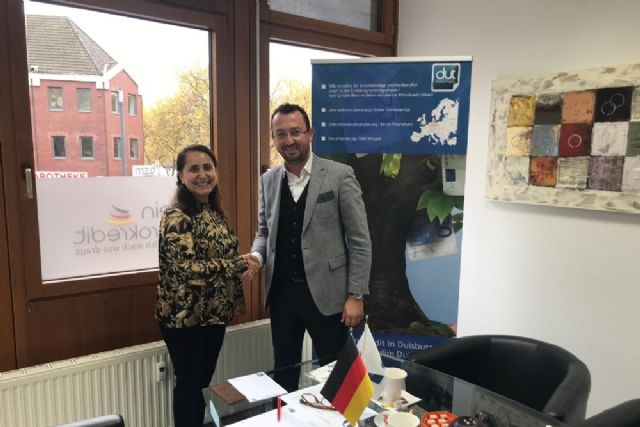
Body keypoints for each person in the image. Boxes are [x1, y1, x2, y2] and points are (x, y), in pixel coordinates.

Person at [249, 103, 372, 391]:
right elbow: (264, 232)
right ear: (274, 138)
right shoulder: (268, 180)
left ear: (310, 134)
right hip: (282, 295)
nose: (289, 140)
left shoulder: (340, 175)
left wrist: (356, 295)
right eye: (280, 134)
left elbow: (359, 240)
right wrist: (256, 256)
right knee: (284, 373)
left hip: (329, 295)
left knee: (336, 377)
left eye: (295, 132)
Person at [156, 144, 258, 427]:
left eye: (208, 167)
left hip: (213, 314)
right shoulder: (177, 216)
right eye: (194, 169)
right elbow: (185, 269)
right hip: (185, 318)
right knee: (189, 386)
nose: (203, 174)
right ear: (180, 176)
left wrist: (243, 263)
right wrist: (237, 264)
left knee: (201, 384)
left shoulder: (213, 211)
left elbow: (219, 259)